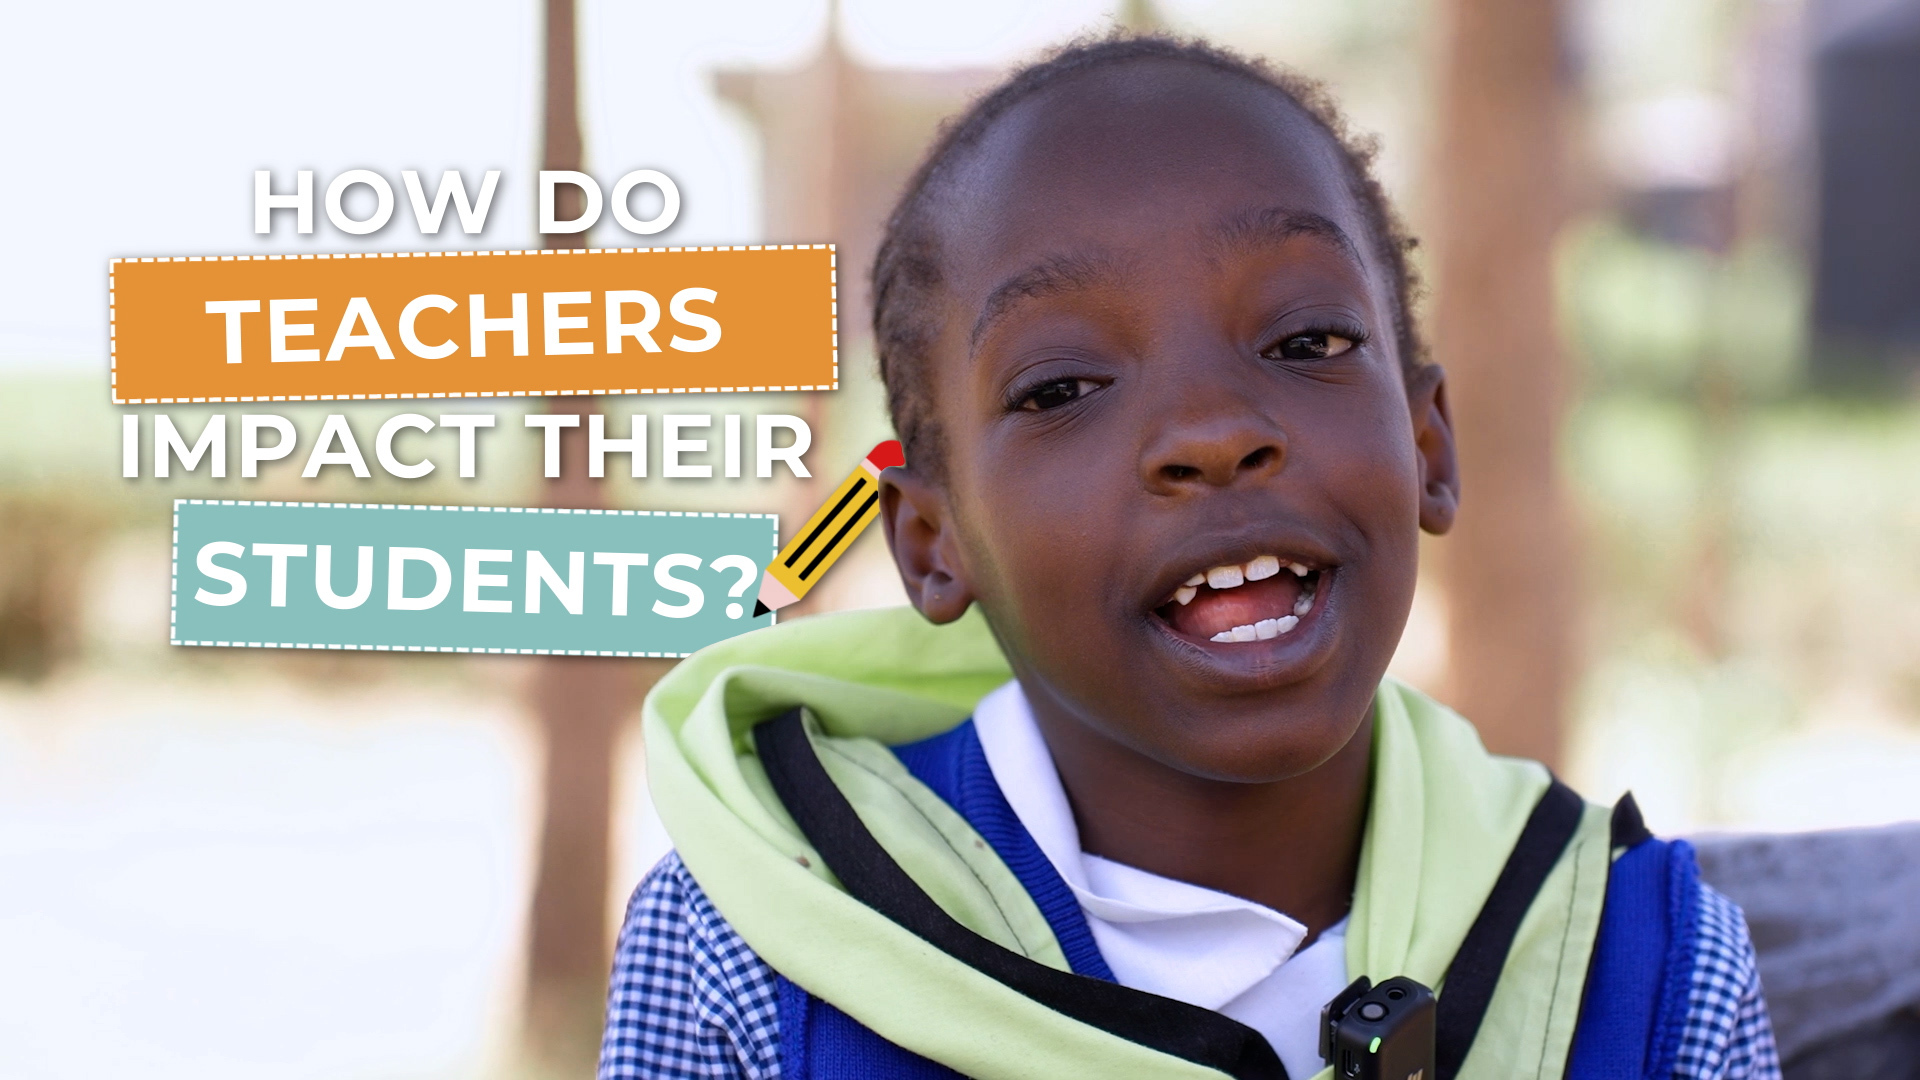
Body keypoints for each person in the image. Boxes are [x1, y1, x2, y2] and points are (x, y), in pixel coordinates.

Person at [599, 34, 1779, 1080]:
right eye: (1063, 387)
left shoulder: (1640, 966)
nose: (1214, 433)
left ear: (1427, 446)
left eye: (1306, 338)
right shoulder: (756, 946)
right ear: (932, 540)